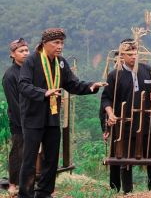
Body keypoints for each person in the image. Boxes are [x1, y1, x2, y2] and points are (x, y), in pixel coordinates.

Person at [18, 28, 107, 198]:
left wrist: (91, 86)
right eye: (56, 43)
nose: (60, 46)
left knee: (51, 158)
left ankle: (44, 192)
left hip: (52, 116)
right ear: (45, 43)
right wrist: (44, 93)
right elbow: (23, 86)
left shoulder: (61, 62)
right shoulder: (31, 61)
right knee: (29, 160)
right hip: (33, 117)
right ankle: (25, 194)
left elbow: (73, 84)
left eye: (62, 43)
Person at [101, 38, 151, 194]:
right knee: (123, 160)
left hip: (148, 123)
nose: (133, 57)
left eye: (135, 53)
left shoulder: (148, 70)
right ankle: (125, 192)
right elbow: (106, 98)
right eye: (129, 54)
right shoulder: (115, 75)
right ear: (122, 56)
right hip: (125, 125)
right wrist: (110, 113)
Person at [2, 38, 29, 195]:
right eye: (21, 51)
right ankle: (13, 183)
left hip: (33, 118)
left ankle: (28, 182)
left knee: (31, 152)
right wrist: (23, 122)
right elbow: (14, 103)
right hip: (19, 120)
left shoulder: (29, 70)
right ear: (13, 54)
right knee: (18, 151)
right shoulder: (10, 75)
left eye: (26, 50)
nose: (25, 53)